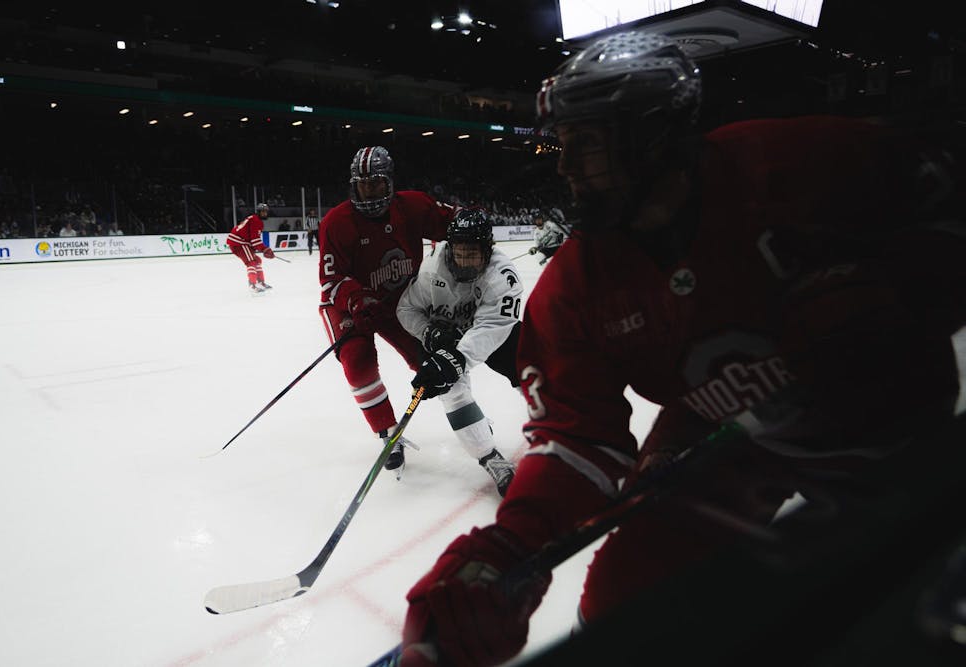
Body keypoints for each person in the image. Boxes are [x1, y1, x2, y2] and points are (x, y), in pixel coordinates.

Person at [399, 30, 966, 666]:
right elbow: (576, 437)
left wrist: (901, 289)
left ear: (651, 136)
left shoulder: (800, 160)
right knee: (621, 599)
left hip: (889, 418)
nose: (563, 166)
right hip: (723, 435)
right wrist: (510, 543)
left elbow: (947, 214)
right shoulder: (573, 287)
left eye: (583, 144)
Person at [318, 146, 456, 477]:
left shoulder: (413, 206)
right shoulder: (336, 222)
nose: (369, 191)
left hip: (399, 301)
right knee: (358, 361)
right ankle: (387, 434)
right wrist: (356, 299)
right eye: (363, 184)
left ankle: (469, 422)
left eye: (376, 183)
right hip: (351, 306)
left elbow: (455, 223)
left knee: (433, 362)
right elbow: (330, 282)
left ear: (389, 182)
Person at [396, 208, 522, 497]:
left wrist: (459, 358)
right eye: (460, 253)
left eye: (473, 254)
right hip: (440, 333)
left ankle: (555, 425)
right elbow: (406, 308)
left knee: (530, 359)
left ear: (488, 251)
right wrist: (428, 332)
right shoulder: (432, 268)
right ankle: (490, 458)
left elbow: (494, 326)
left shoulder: (503, 277)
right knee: (451, 390)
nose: (464, 262)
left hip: (483, 332)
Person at [227, 202, 274, 293]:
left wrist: (262, 249)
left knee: (257, 261)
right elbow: (255, 240)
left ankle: (260, 282)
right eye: (263, 212)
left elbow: (252, 239)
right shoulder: (256, 221)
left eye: (266, 212)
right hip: (239, 243)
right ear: (259, 212)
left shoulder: (254, 218)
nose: (265, 213)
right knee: (251, 262)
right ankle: (252, 285)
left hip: (240, 242)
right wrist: (265, 249)